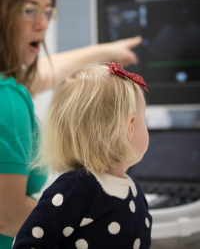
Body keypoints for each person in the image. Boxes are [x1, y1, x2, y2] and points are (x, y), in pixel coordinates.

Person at [0, 0, 142, 248]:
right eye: (29, 10)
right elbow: (9, 217)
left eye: (47, 11)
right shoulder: (7, 99)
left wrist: (105, 51)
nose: (42, 24)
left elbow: (42, 74)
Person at [13, 62, 152, 249]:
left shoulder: (135, 190)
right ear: (130, 126)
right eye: (144, 118)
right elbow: (29, 244)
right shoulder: (73, 190)